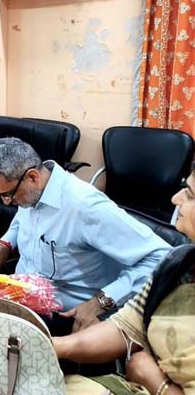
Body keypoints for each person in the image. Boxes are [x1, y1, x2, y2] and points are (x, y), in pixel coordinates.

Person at [0, 137, 170, 334]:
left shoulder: (85, 207)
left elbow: (161, 258)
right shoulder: (31, 193)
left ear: (32, 177)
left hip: (65, 312)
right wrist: (6, 243)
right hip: (23, 293)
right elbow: (25, 215)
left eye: (8, 195)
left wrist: (101, 302)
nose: (7, 202)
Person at [54, 167, 195, 395]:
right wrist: (53, 345)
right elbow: (124, 328)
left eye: (189, 194)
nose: (175, 199)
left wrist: (156, 382)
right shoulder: (179, 264)